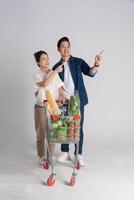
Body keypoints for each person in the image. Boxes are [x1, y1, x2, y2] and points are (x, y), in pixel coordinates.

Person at [53, 37, 103, 166]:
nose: (66, 49)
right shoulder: (56, 67)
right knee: (64, 126)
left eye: (68, 46)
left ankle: (78, 154)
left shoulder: (78, 62)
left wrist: (96, 64)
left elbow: (90, 73)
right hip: (64, 101)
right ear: (59, 49)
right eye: (63, 46)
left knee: (78, 127)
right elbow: (55, 86)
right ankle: (65, 152)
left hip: (78, 100)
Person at [33, 50, 65, 165]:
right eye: (43, 59)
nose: (47, 60)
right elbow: (45, 84)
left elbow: (60, 89)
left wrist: (63, 97)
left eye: (47, 58)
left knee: (54, 132)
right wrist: (55, 71)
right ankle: (41, 156)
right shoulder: (37, 75)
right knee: (41, 132)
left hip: (54, 107)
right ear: (38, 62)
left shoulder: (53, 73)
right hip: (41, 106)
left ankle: (50, 156)